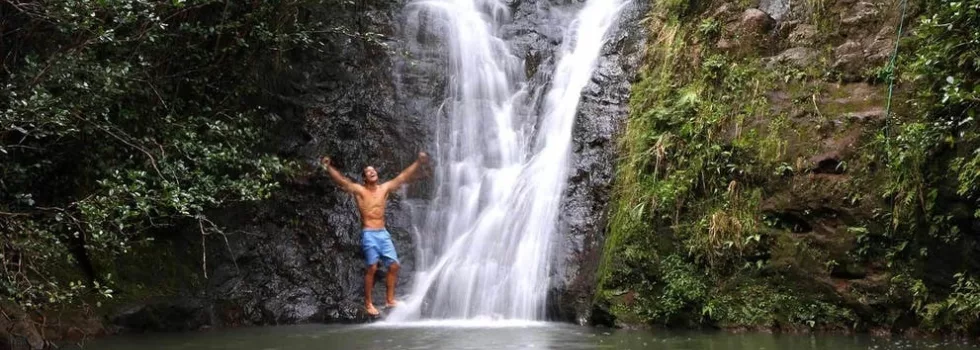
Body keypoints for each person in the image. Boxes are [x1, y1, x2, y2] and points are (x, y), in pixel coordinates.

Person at [320, 152, 429, 316]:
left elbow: (402, 177)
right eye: (368, 171)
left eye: (373, 170)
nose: (372, 172)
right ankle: (368, 303)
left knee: (394, 265)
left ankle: (389, 299)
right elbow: (343, 181)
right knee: (372, 267)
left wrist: (418, 163)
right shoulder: (360, 191)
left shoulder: (384, 189)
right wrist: (328, 167)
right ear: (364, 178)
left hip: (383, 233)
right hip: (369, 233)